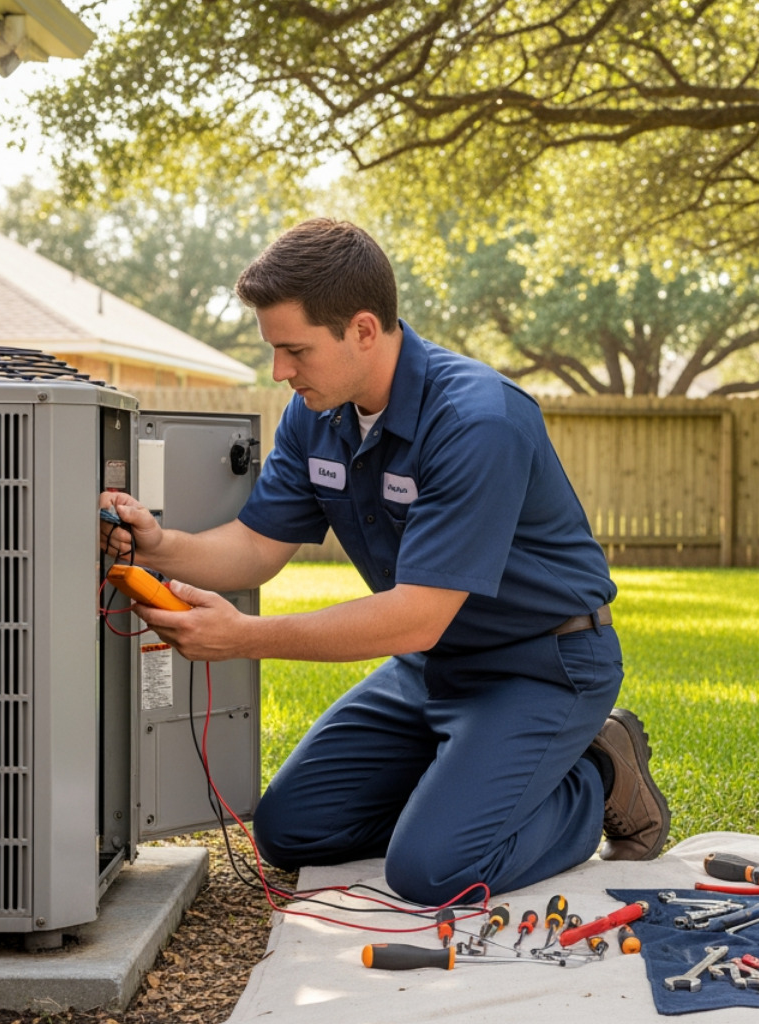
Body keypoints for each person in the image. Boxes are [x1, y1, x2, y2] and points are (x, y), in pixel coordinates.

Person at [98, 218, 670, 903]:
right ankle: (465, 788)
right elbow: (254, 547)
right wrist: (161, 545)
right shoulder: (318, 414)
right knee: (289, 831)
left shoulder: (478, 420)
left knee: (433, 873)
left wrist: (244, 639)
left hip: (540, 667)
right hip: (430, 670)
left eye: (294, 350)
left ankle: (599, 772)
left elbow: (417, 617)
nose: (280, 371)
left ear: (363, 330)